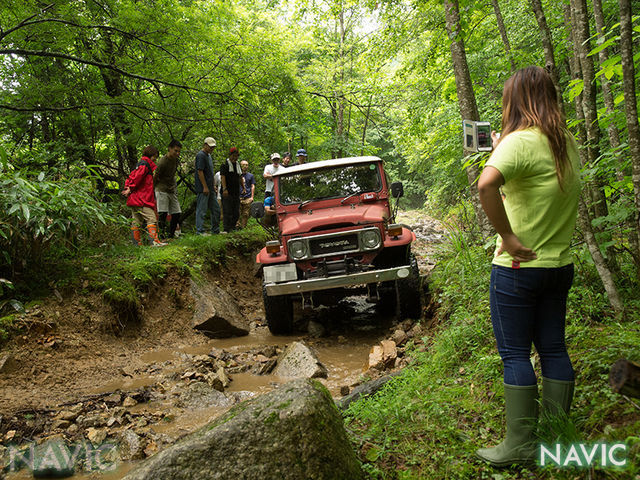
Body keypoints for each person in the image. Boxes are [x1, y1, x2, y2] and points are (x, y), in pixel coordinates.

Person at [475, 66, 581, 467]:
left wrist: (508, 238)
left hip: (518, 269)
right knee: (553, 347)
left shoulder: (517, 142)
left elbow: (485, 185)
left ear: (514, 102)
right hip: (559, 265)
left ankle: (519, 445)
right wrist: (502, 148)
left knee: (516, 354)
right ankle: (555, 440)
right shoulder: (566, 142)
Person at [122, 145, 166, 247]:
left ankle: (137, 244)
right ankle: (153, 242)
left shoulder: (140, 165)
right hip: (141, 199)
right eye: (155, 156)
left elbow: (131, 178)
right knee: (151, 218)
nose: (155, 159)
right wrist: (130, 188)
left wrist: (128, 188)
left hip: (135, 199)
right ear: (151, 155)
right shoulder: (145, 165)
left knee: (136, 221)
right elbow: (137, 178)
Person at [154, 139, 182, 239]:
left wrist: (173, 185)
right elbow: (156, 176)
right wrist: (154, 189)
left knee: (176, 212)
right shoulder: (163, 161)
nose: (177, 153)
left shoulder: (176, 160)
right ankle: (161, 235)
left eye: (179, 151)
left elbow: (172, 174)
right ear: (169, 149)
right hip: (161, 189)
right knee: (163, 213)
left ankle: (171, 235)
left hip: (171, 189)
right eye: (175, 151)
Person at [194, 137, 220, 235]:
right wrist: (204, 186)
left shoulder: (209, 156)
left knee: (216, 209)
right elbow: (200, 171)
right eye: (210, 147)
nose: (211, 149)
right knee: (202, 210)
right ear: (205, 145)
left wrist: (213, 185)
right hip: (203, 188)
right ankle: (199, 231)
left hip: (210, 188)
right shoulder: (201, 155)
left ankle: (215, 230)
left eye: (213, 147)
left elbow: (210, 172)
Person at [220, 147, 244, 232]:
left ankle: (233, 227)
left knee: (236, 211)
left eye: (236, 156)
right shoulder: (225, 165)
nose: (235, 158)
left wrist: (243, 188)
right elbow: (223, 177)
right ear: (230, 155)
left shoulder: (237, 165)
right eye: (233, 156)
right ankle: (227, 228)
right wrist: (224, 189)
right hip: (227, 192)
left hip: (236, 191)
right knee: (227, 210)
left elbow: (240, 177)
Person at [237, 159, 256, 229]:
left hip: (247, 196)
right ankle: (237, 226)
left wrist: (252, 197)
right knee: (237, 213)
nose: (245, 166)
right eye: (243, 165)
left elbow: (253, 186)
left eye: (246, 165)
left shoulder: (250, 176)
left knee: (246, 213)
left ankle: (243, 227)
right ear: (240, 166)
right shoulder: (237, 175)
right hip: (238, 196)